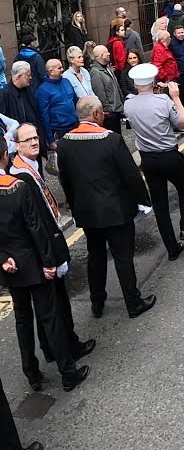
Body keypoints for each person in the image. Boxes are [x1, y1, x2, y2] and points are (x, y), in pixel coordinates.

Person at [3, 131, 92, 395]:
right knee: (49, 316)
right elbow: (36, 227)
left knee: (22, 320)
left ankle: (32, 373)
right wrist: (49, 261)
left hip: (10, 267)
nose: (34, 142)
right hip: (33, 261)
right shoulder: (17, 187)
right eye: (26, 140)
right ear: (6, 153)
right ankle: (68, 372)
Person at [56, 97, 155, 320]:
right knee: (123, 257)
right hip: (116, 210)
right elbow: (130, 175)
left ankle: (97, 302)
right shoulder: (112, 140)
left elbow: (66, 180)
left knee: (96, 256)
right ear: (97, 114)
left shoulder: (64, 144)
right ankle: (133, 301)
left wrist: (75, 205)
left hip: (87, 211)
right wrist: (143, 201)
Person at [123, 64, 184, 260]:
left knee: (160, 203)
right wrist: (175, 97)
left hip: (148, 159)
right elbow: (182, 122)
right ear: (154, 81)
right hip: (169, 155)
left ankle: (172, 248)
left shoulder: (128, 104)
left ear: (135, 84)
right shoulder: (163, 101)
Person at [35, 59, 77, 146]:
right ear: (51, 71)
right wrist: (50, 139)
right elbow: (44, 116)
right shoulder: (43, 90)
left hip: (74, 126)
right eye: (59, 68)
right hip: (59, 130)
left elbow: (75, 102)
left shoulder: (66, 81)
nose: (62, 69)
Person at [88, 46, 125, 133]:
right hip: (110, 114)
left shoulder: (107, 67)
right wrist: (109, 110)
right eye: (106, 52)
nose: (109, 53)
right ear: (102, 55)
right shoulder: (96, 72)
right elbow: (100, 93)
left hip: (116, 110)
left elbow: (116, 86)